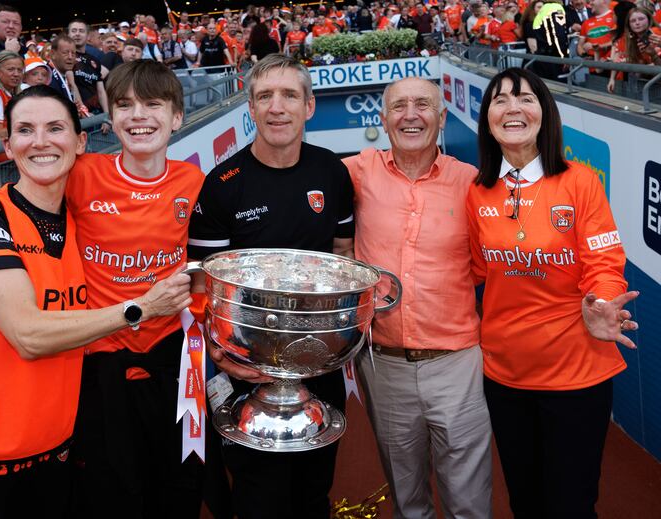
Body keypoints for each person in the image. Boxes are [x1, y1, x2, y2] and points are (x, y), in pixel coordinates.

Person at [0, 59, 206, 519]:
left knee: (177, 489)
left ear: (177, 118)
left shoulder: (196, 183)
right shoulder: (80, 173)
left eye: (153, 105)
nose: (138, 115)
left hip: (172, 362)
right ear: (109, 118)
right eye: (125, 105)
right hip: (98, 365)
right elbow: (26, 188)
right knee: (111, 494)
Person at [467, 67, 639, 519]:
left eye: (525, 98)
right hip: (504, 373)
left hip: (576, 371)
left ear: (545, 112)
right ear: (487, 118)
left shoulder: (580, 181)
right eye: (500, 100)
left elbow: (604, 263)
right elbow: (475, 271)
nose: (512, 108)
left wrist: (602, 303)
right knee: (525, 500)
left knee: (572, 504)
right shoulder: (477, 192)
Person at [188, 53, 354, 519]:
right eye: (265, 97)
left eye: (288, 95)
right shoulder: (222, 183)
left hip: (317, 365)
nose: (277, 107)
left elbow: (344, 257)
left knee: (314, 491)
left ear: (310, 106)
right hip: (247, 370)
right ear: (251, 108)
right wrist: (221, 356)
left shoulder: (332, 173)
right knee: (260, 498)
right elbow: (203, 283)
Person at [342, 77, 493, 519]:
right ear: (384, 120)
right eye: (400, 106)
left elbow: (494, 262)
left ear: (442, 118)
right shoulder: (355, 172)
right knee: (408, 502)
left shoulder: (472, 183)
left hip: (458, 363)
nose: (412, 114)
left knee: (469, 502)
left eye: (424, 105)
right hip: (382, 364)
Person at [607, 8, 661, 93]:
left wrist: (653, 56)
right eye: (633, 21)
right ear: (629, 25)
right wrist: (612, 79)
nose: (637, 23)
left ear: (649, 20)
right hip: (640, 83)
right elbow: (617, 60)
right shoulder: (627, 39)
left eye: (641, 19)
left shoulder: (657, 35)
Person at [67, 20, 109, 115]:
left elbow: (101, 90)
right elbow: (71, 85)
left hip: (98, 113)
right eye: (74, 31)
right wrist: (84, 112)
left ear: (87, 36)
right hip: (79, 115)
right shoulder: (66, 58)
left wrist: (106, 115)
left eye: (81, 31)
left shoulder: (94, 60)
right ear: (68, 35)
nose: (77, 34)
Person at [577, 0, 616, 68]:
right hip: (593, 68)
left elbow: (620, 41)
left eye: (592, 0)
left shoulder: (615, 17)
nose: (590, 4)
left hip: (612, 66)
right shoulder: (586, 23)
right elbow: (580, 46)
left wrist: (596, 47)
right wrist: (585, 55)